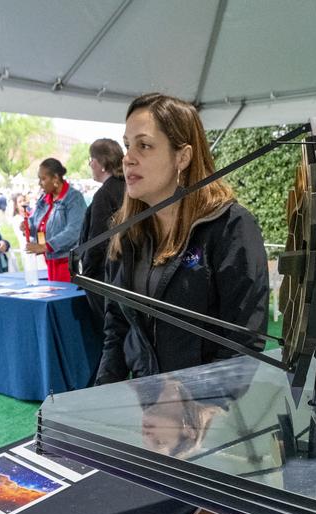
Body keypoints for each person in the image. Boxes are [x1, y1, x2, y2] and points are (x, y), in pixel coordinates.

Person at [95, 92, 269, 384]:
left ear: (183, 156)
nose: (128, 159)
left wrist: (198, 408)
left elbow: (244, 340)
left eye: (144, 145)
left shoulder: (230, 226)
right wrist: (99, 396)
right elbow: (118, 330)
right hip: (144, 404)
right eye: (127, 145)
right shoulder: (127, 232)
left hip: (206, 415)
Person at [78, 139, 127, 322]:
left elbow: (97, 240)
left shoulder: (105, 194)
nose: (90, 164)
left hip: (105, 276)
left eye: (91, 159)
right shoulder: (128, 188)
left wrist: (87, 275)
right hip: (125, 273)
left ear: (101, 163)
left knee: (112, 331)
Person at [26, 158, 87, 282]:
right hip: (50, 262)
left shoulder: (74, 198)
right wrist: (28, 227)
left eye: (43, 179)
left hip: (68, 264)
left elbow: (74, 231)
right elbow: (39, 227)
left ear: (55, 178)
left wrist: (46, 246)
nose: (40, 183)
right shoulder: (44, 200)